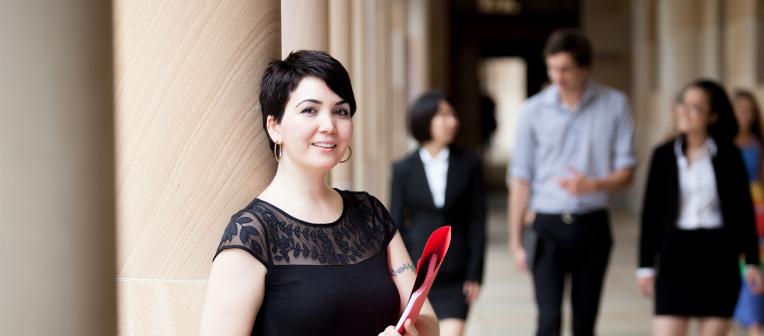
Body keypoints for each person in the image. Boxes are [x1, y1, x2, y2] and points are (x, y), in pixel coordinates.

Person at [198, 50, 438, 336]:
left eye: (341, 111)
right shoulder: (251, 233)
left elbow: (428, 322)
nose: (329, 125)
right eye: (310, 110)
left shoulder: (370, 212)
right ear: (274, 126)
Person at [507, 28, 637, 336]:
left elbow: (628, 170)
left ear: (585, 67)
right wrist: (515, 242)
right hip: (546, 226)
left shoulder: (615, 104)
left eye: (565, 69)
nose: (558, 76)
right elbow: (521, 178)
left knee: (585, 320)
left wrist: (594, 185)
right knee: (548, 320)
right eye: (552, 68)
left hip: (593, 225)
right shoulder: (532, 111)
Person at [638, 80, 764, 335]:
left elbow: (743, 212)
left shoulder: (729, 155)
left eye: (695, 107)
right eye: (682, 104)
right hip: (675, 254)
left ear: (712, 115)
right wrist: (645, 266)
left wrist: (752, 262)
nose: (684, 111)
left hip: (719, 256)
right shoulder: (662, 155)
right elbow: (650, 215)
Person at [391, 91, 487, 336]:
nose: (452, 121)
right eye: (443, 115)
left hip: (456, 274)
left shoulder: (469, 163)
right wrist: (398, 274)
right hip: (418, 276)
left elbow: (477, 221)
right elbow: (396, 225)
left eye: (453, 115)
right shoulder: (403, 169)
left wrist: (475, 274)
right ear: (425, 120)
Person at [731, 90, 764, 335]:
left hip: (757, 208)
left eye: (748, 110)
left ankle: (754, 321)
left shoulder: (758, 143)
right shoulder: (723, 143)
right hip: (731, 209)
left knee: (754, 264)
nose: (743, 115)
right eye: (738, 110)